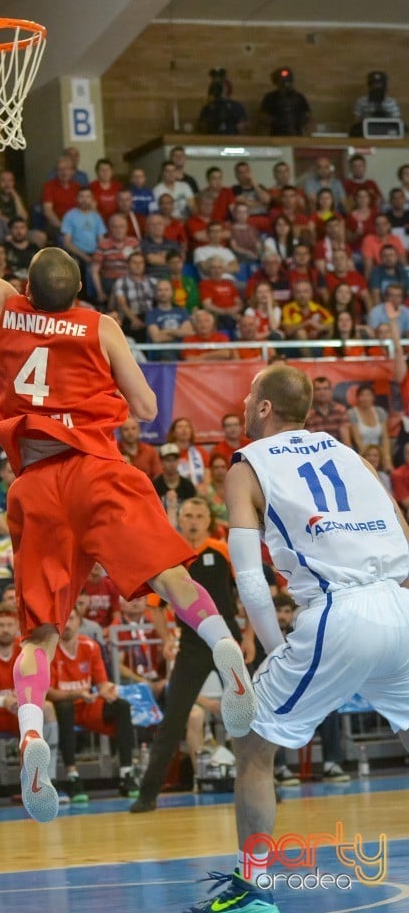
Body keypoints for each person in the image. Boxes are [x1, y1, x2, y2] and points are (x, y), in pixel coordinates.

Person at [0, 123, 257, 825]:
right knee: (174, 577)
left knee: (38, 635)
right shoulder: (101, 326)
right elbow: (147, 408)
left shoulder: (6, 310)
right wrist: (113, 389)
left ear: (26, 285)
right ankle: (228, 652)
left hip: (35, 482)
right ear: (80, 290)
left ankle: (30, 736)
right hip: (97, 469)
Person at [184, 363, 409, 913]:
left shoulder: (247, 464)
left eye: (248, 398)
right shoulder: (350, 454)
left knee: (253, 743)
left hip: (338, 612)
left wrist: (273, 644)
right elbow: (402, 532)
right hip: (399, 603)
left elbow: (250, 581)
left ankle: (251, 893)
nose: (241, 406)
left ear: (264, 408)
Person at [132, 497, 247, 813]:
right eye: (188, 515)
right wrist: (167, 638)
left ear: (209, 519)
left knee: (250, 712)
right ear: (179, 519)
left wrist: (249, 636)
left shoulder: (221, 550)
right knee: (173, 719)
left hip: (228, 641)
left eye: (200, 515)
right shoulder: (171, 558)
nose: (194, 520)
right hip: (193, 647)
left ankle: (268, 782)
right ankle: (147, 795)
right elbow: (155, 605)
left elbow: (248, 592)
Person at [0, 602, 59, 810]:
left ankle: (49, 780)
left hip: (20, 712)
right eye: (0, 625)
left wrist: (24, 701)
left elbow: (43, 685)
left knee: (49, 708)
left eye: (9, 625)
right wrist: (2, 701)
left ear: (17, 626)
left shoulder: (27, 648)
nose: (5, 629)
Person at [49, 605, 139, 802]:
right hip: (62, 706)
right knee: (64, 709)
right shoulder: (49, 650)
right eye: (62, 620)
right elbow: (48, 693)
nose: (67, 624)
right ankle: (72, 776)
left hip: (88, 704)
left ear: (79, 622)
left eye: (71, 619)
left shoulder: (90, 646)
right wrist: (76, 694)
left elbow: (101, 683)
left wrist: (108, 691)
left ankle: (127, 773)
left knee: (121, 706)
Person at [259, 67, 311, 136]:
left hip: (296, 135)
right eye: (282, 82)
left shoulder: (299, 97)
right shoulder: (270, 97)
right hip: (277, 135)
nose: (286, 84)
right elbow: (263, 116)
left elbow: (307, 115)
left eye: (288, 81)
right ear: (276, 82)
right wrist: (277, 122)